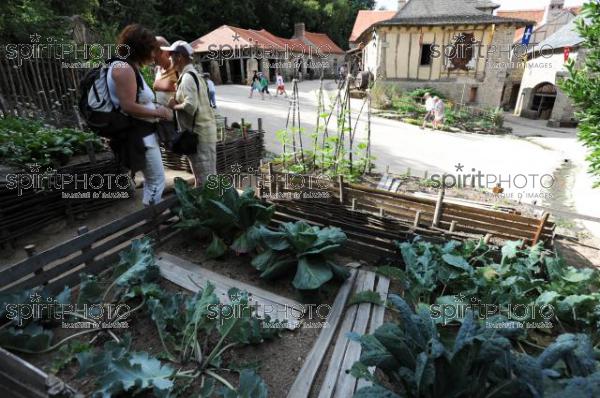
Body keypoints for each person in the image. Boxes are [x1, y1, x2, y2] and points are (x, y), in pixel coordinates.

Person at [107, 24, 171, 206]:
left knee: (153, 181)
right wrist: (157, 112)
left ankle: (153, 220)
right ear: (141, 48)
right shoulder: (124, 69)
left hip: (143, 134)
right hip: (139, 136)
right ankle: (152, 223)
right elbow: (128, 106)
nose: (153, 55)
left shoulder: (127, 66)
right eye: (152, 50)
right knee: (156, 181)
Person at [163, 40, 217, 187]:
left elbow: (190, 106)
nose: (169, 59)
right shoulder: (192, 75)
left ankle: (210, 206)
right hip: (201, 133)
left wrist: (174, 106)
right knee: (204, 177)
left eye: (171, 55)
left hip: (199, 135)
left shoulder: (187, 78)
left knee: (206, 180)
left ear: (179, 57)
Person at [153, 36, 178, 107]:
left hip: (177, 115)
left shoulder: (177, 67)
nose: (152, 55)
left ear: (165, 52)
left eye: (155, 51)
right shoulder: (157, 69)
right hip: (162, 116)